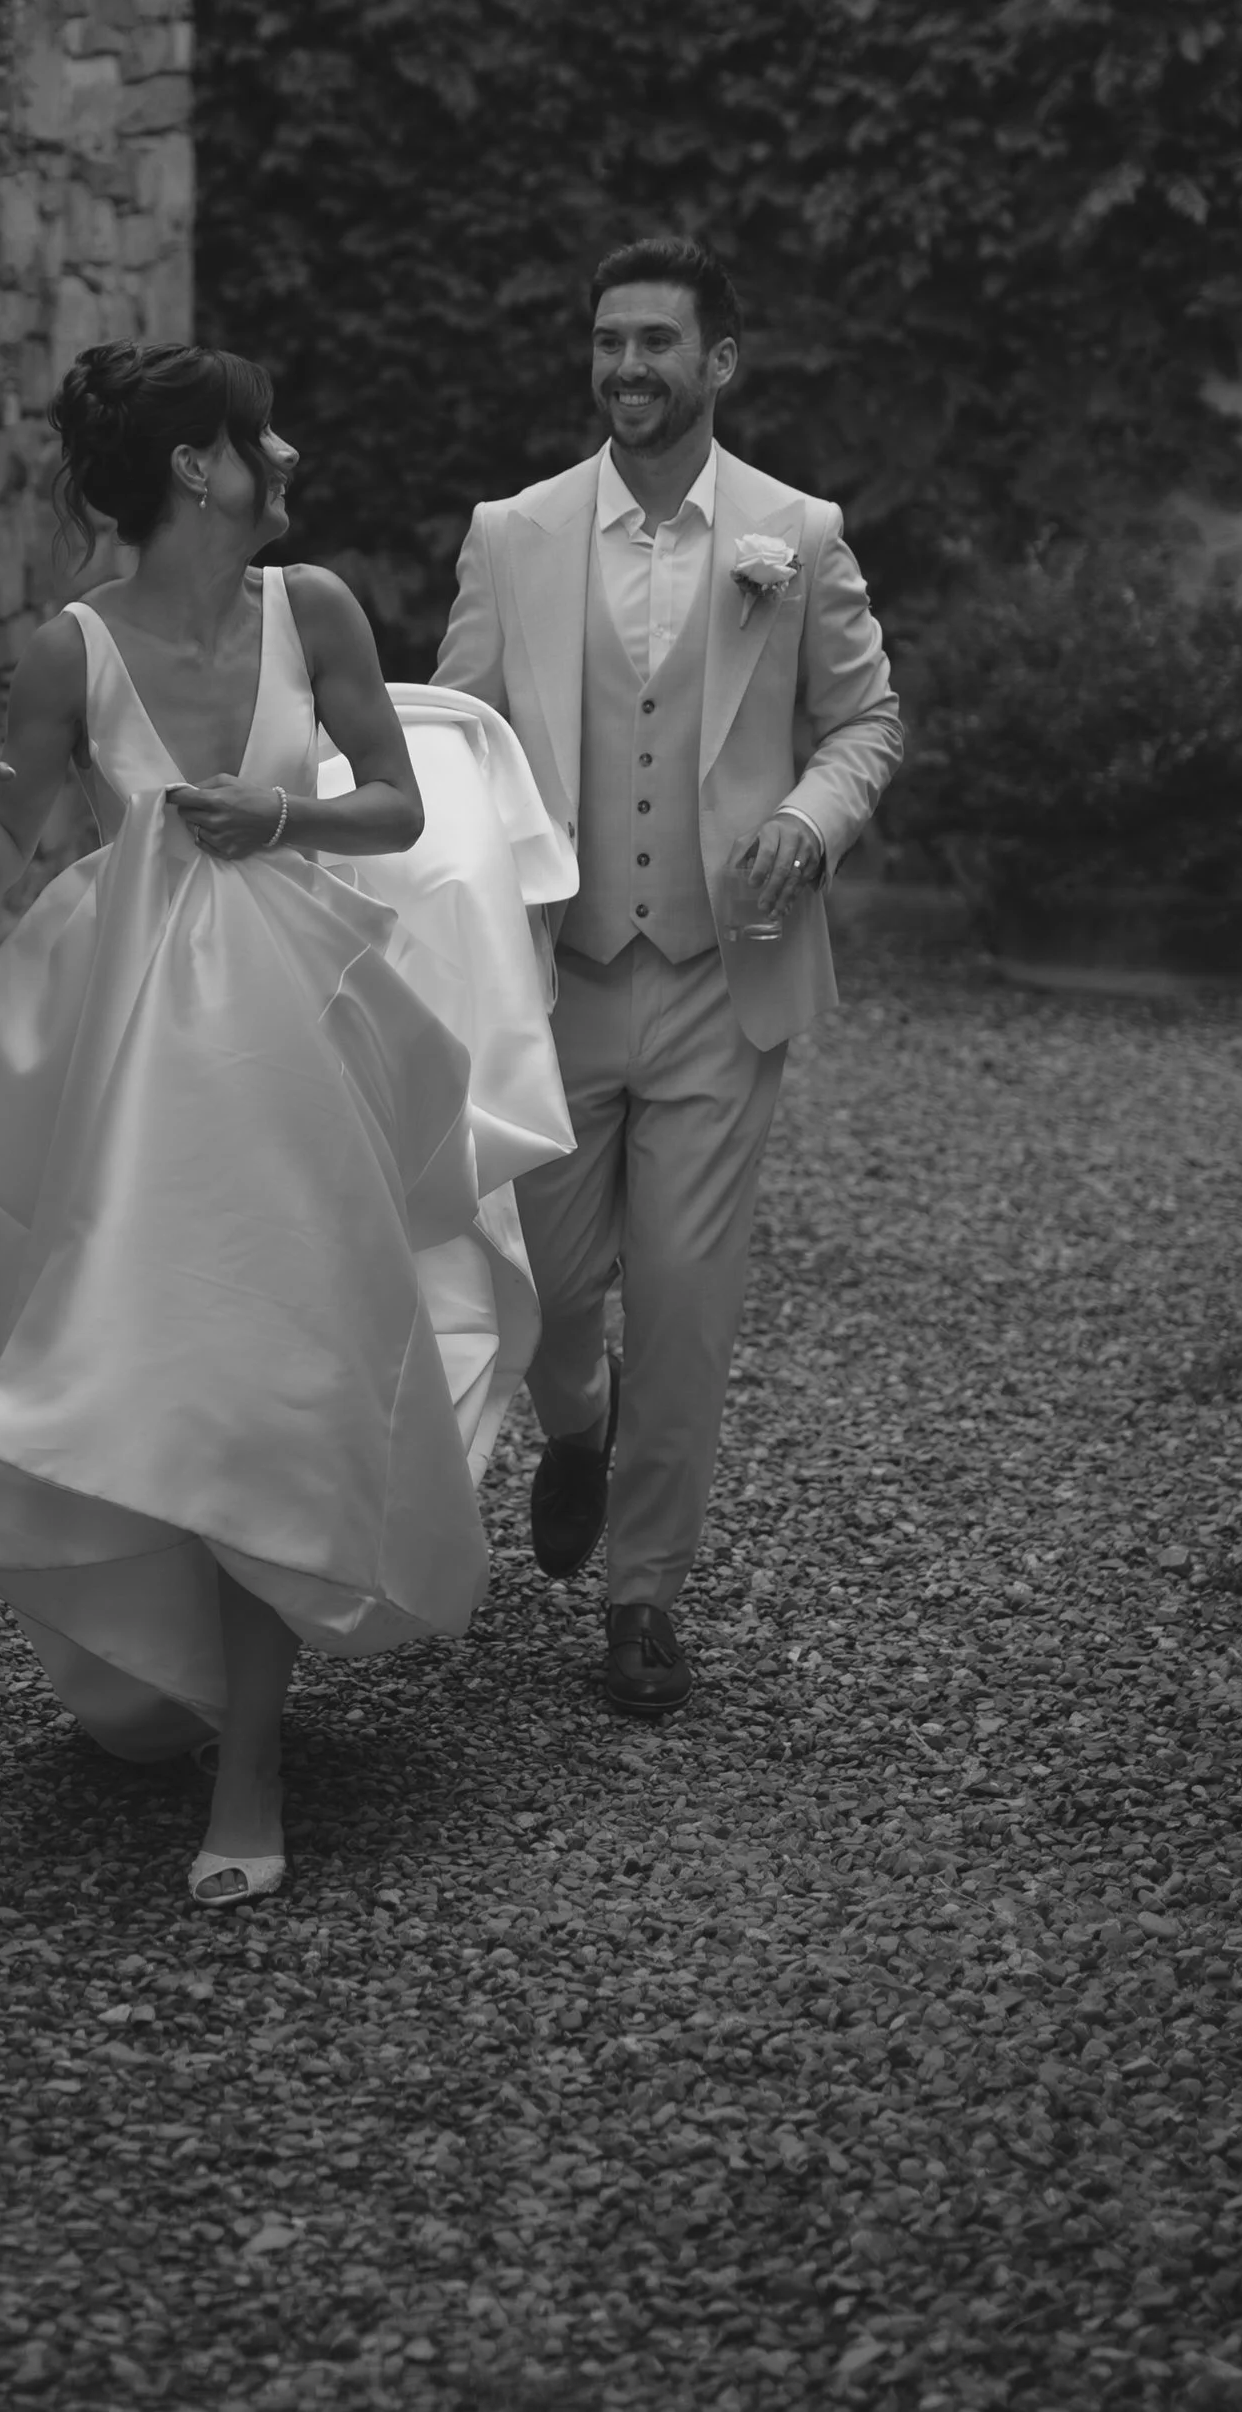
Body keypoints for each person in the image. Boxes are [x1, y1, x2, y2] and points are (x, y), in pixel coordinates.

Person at [0, 342, 568, 1907]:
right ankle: (158, 1658)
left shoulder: (316, 609)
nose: (286, 453)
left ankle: (255, 1767)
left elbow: (400, 806)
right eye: (255, 435)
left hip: (296, 1036)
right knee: (162, 1374)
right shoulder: (67, 652)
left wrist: (286, 815)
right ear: (198, 468)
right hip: (135, 1057)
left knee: (277, 1374)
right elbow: (4, 862)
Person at [434, 234, 904, 1721]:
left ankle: (646, 1595)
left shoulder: (798, 533)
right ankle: (575, 1428)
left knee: (686, 1302)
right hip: (556, 974)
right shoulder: (513, 534)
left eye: (658, 341)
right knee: (557, 1292)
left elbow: (866, 725)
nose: (628, 365)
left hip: (721, 977)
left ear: (720, 363)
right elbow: (454, 743)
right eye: (609, 340)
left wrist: (807, 822)